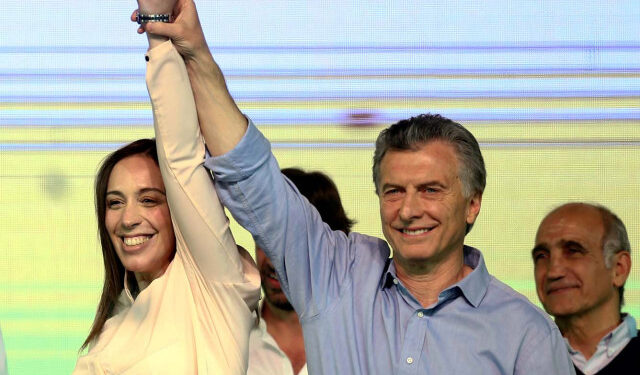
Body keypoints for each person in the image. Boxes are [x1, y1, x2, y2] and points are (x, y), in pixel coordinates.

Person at [140, 1, 575, 373]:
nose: (408, 210)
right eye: (393, 191)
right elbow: (251, 175)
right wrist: (193, 49)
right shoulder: (335, 274)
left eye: (430, 190)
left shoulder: (527, 336)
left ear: (472, 204)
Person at [73, 2, 260, 372]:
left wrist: (159, 32)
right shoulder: (106, 336)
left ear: (177, 208)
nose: (128, 219)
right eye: (114, 202)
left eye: (149, 199)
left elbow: (182, 159)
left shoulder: (210, 283)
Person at [248, 168, 355, 375]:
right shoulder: (229, 335)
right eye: (265, 239)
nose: (273, 260)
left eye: (292, 243)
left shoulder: (361, 343)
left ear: (330, 246)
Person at [533, 203, 637, 374]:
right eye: (542, 256)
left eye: (573, 251)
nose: (553, 271)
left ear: (619, 269)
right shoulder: (514, 358)